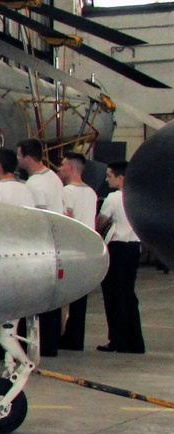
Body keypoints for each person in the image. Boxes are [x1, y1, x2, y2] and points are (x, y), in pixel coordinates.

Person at [19, 139, 66, 355]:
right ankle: (50, 342)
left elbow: (38, 216)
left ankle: (40, 343)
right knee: (51, 296)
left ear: (28, 157)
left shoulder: (34, 184)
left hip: (42, 244)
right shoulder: (53, 178)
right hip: (57, 241)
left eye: (19, 155)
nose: (18, 159)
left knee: (36, 299)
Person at [97, 161, 145, 354]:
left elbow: (101, 222)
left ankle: (118, 340)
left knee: (113, 295)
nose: (107, 179)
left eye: (110, 176)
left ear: (120, 178)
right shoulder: (139, 197)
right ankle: (135, 341)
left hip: (117, 247)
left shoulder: (114, 197)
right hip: (134, 247)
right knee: (129, 294)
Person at [57, 152, 99, 351]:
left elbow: (68, 217)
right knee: (80, 296)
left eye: (63, 165)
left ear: (72, 168)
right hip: (88, 248)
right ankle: (76, 338)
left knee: (65, 296)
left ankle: (65, 335)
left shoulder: (67, 192)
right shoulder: (91, 192)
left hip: (72, 247)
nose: (60, 168)